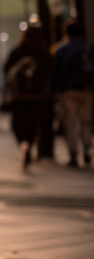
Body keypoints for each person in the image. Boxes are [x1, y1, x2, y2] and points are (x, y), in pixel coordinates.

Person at [4, 26, 52, 168]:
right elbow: (51, 71)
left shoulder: (18, 51)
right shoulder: (42, 52)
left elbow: (7, 69)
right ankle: (29, 145)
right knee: (33, 123)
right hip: (37, 96)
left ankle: (23, 143)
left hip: (19, 96)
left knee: (17, 122)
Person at [51, 22, 93, 167]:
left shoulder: (62, 50)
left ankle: (74, 153)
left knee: (70, 122)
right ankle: (87, 149)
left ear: (67, 34)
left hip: (68, 91)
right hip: (87, 90)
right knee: (85, 121)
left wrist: (57, 90)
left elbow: (57, 73)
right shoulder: (88, 49)